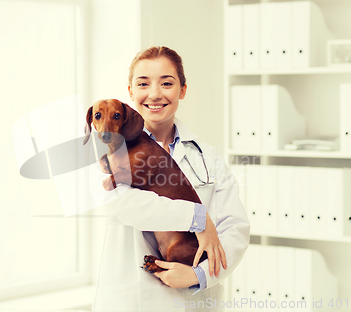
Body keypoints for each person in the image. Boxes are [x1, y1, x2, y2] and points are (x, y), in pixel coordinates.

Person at [91, 46, 250, 312]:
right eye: (143, 84)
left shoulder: (208, 156)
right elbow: (125, 205)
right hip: (134, 300)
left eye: (167, 83)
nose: (154, 94)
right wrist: (198, 218)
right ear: (130, 92)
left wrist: (199, 275)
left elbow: (236, 229)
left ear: (182, 90)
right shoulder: (106, 150)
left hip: (194, 299)